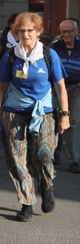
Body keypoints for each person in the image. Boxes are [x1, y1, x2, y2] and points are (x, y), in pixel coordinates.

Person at [0, 12, 70, 222]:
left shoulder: (49, 55)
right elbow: (1, 87)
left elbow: (60, 87)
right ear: (16, 32)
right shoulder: (11, 56)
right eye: (21, 30)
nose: (25, 34)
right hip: (14, 111)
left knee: (44, 156)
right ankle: (26, 201)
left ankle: (46, 186)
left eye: (30, 30)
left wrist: (64, 115)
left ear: (38, 32)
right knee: (16, 160)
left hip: (44, 112)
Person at [51, 19, 80, 173]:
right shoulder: (54, 47)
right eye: (63, 31)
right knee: (56, 118)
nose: (66, 34)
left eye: (69, 31)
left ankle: (75, 160)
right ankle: (54, 153)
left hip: (77, 87)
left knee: (75, 120)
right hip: (57, 87)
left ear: (76, 31)